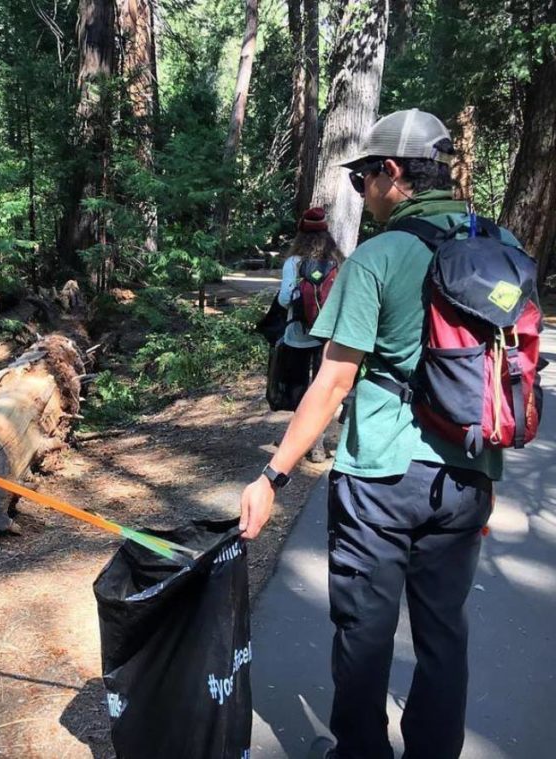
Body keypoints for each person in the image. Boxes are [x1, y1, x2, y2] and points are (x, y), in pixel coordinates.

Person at [238, 109, 518, 759]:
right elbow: (506, 361)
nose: (362, 190)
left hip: (382, 475)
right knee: (443, 633)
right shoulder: (500, 246)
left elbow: (332, 381)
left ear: (392, 172)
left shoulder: (380, 254)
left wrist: (273, 474)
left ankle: (360, 752)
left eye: (364, 176)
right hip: (470, 470)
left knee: (364, 629)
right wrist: (488, 469)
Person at [276, 207, 344, 462]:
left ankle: (303, 441)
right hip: (327, 335)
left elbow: (284, 299)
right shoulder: (337, 260)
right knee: (322, 387)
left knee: (299, 388)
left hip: (298, 334)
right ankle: (319, 442)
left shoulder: (294, 263)